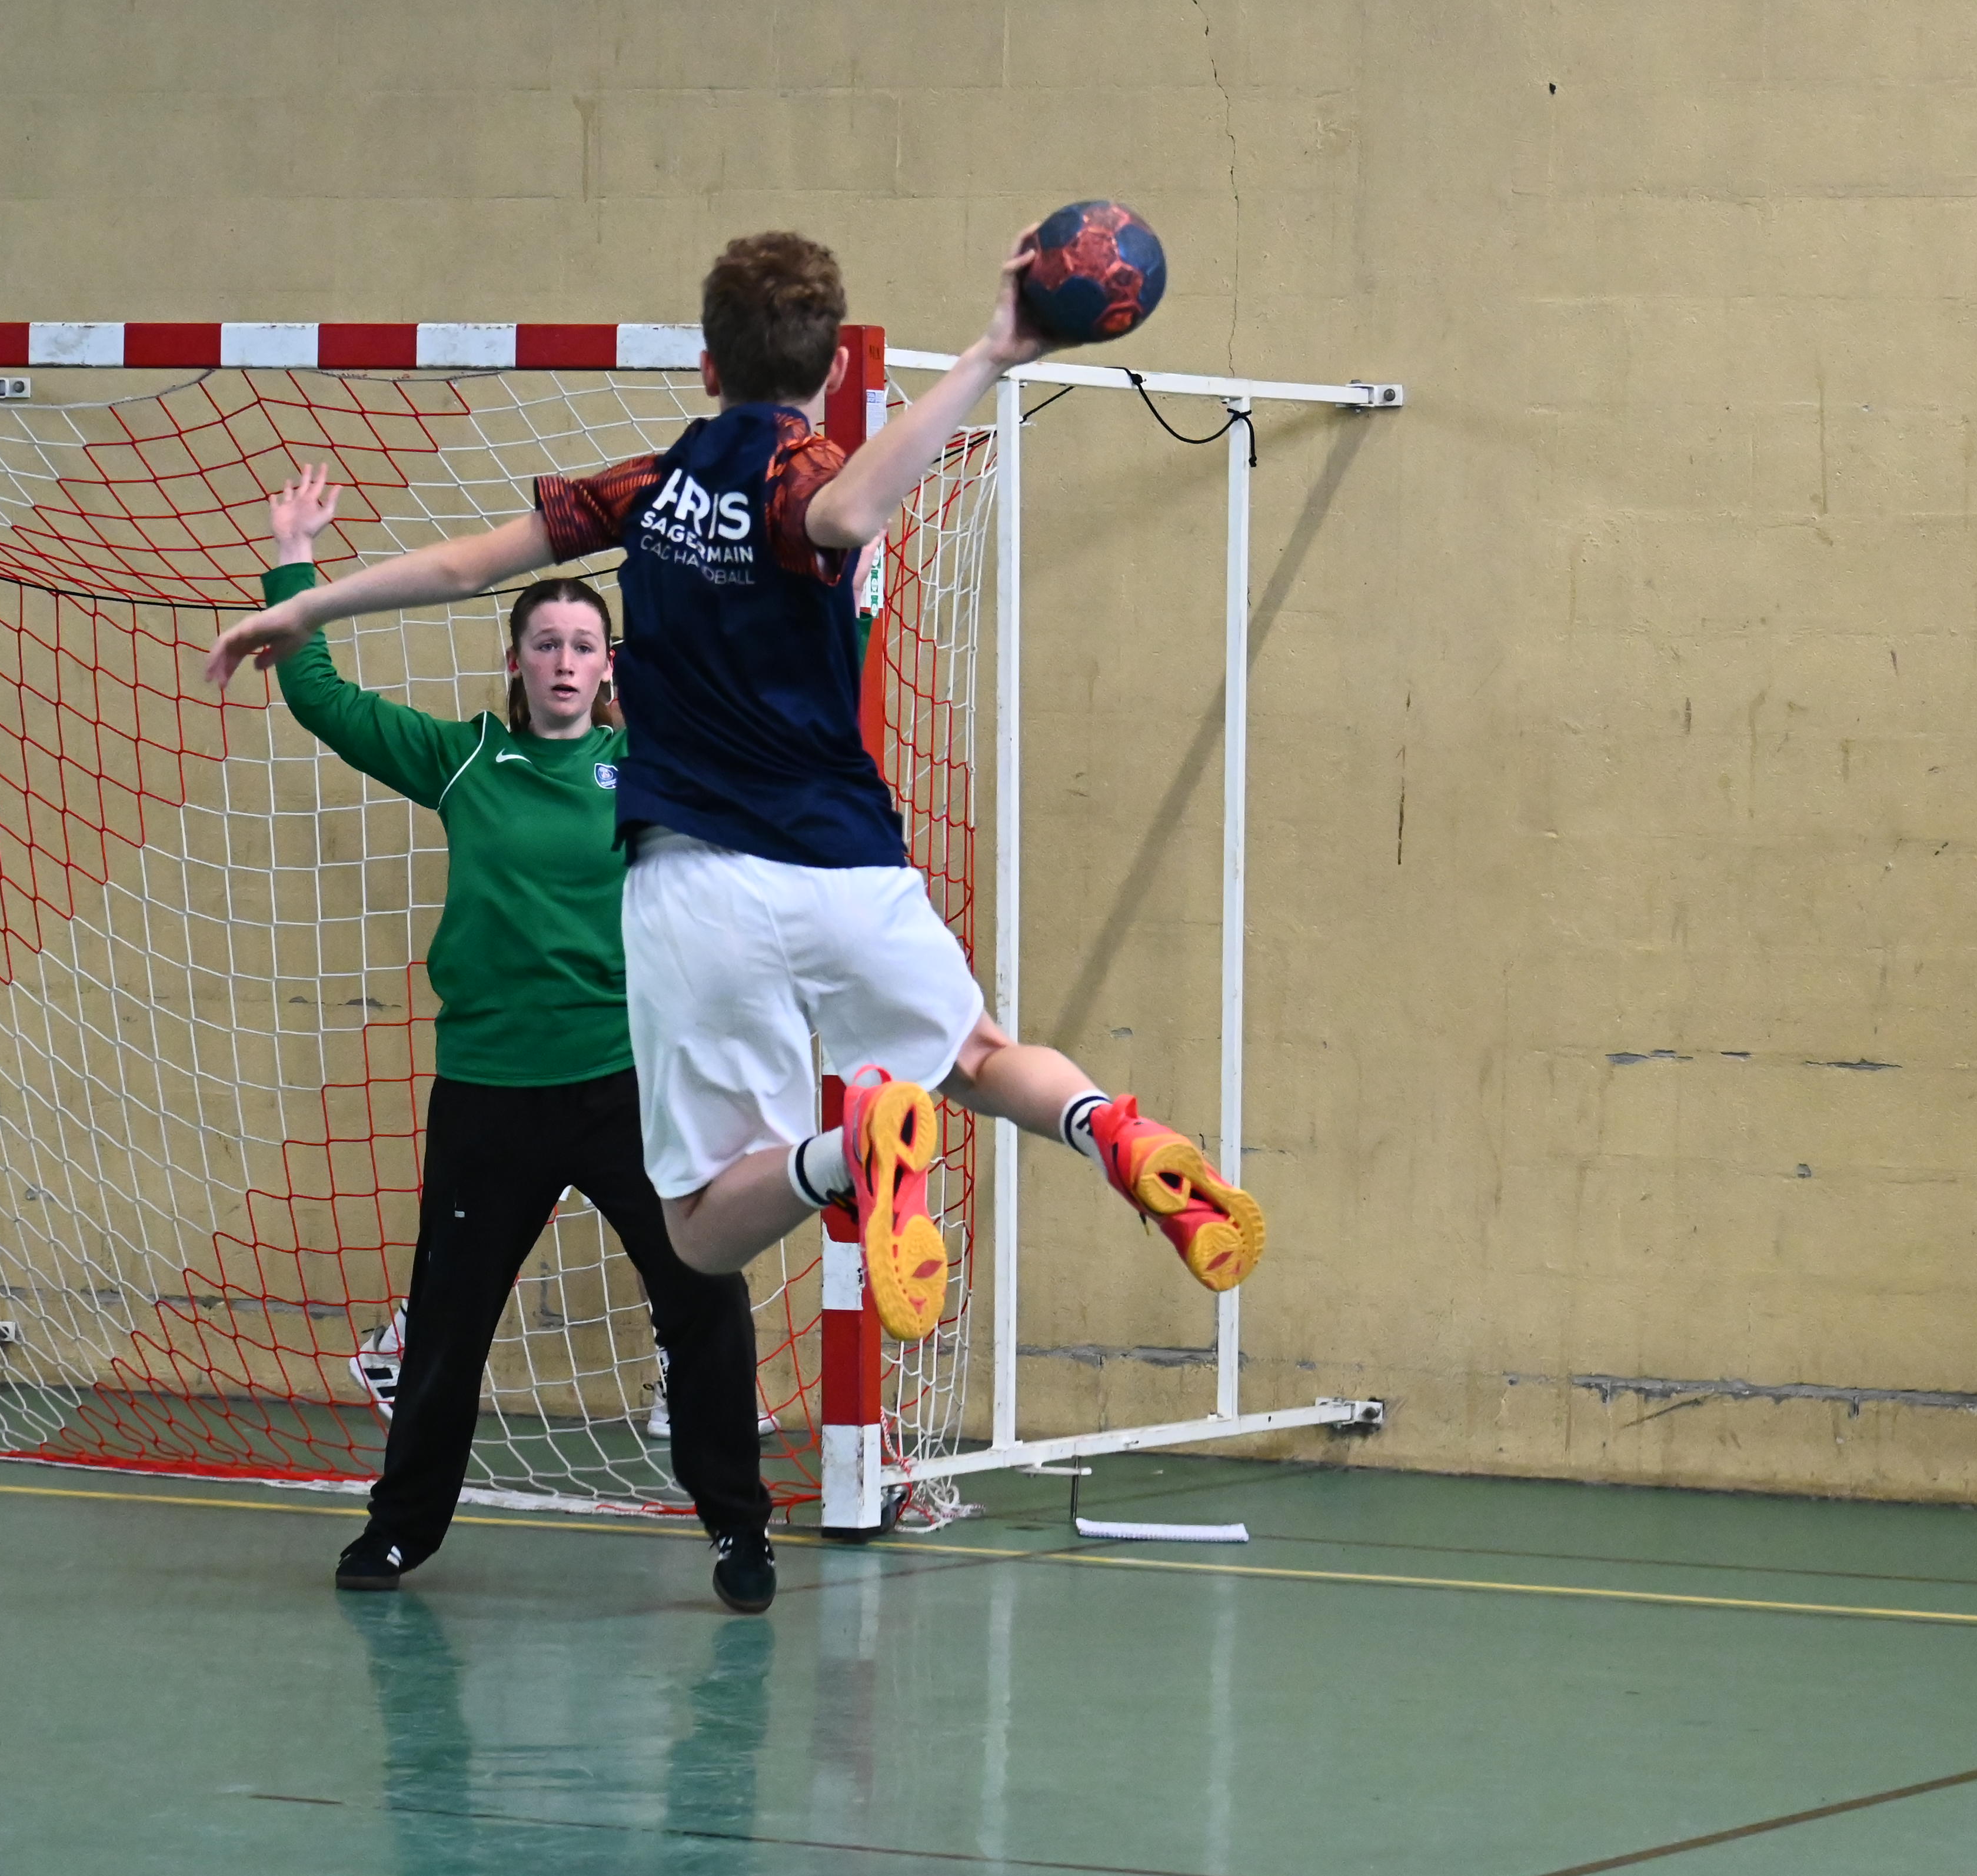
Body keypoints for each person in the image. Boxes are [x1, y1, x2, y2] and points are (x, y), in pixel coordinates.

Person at [209, 228, 1263, 1371]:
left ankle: (847, 1152)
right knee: (980, 1054)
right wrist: (994, 352)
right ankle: (1111, 1126)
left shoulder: (647, 489)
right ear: (838, 375)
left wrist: (305, 606)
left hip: (695, 886)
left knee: (703, 1230)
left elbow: (470, 566)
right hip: (848, 865)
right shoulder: (805, 479)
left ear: (705, 368)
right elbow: (847, 513)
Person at [236, 466, 778, 1612]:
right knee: (448, 1321)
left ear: (611, 665)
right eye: (549, 642)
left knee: (705, 1298)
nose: (569, 660)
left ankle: (739, 1529)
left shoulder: (658, 769)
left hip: (632, 1087)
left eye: (587, 643)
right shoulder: (465, 761)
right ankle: (398, 1532)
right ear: (519, 662)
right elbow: (322, 696)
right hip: (490, 1092)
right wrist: (293, 561)